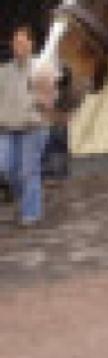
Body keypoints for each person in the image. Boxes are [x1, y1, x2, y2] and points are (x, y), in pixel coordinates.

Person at [0, 24, 49, 227]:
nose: (18, 46)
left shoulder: (41, 68)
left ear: (31, 44)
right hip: (7, 128)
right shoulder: (3, 71)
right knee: (6, 168)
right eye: (15, 42)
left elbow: (49, 101)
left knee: (29, 171)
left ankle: (31, 213)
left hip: (33, 128)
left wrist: (36, 106)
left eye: (22, 42)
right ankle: (28, 200)